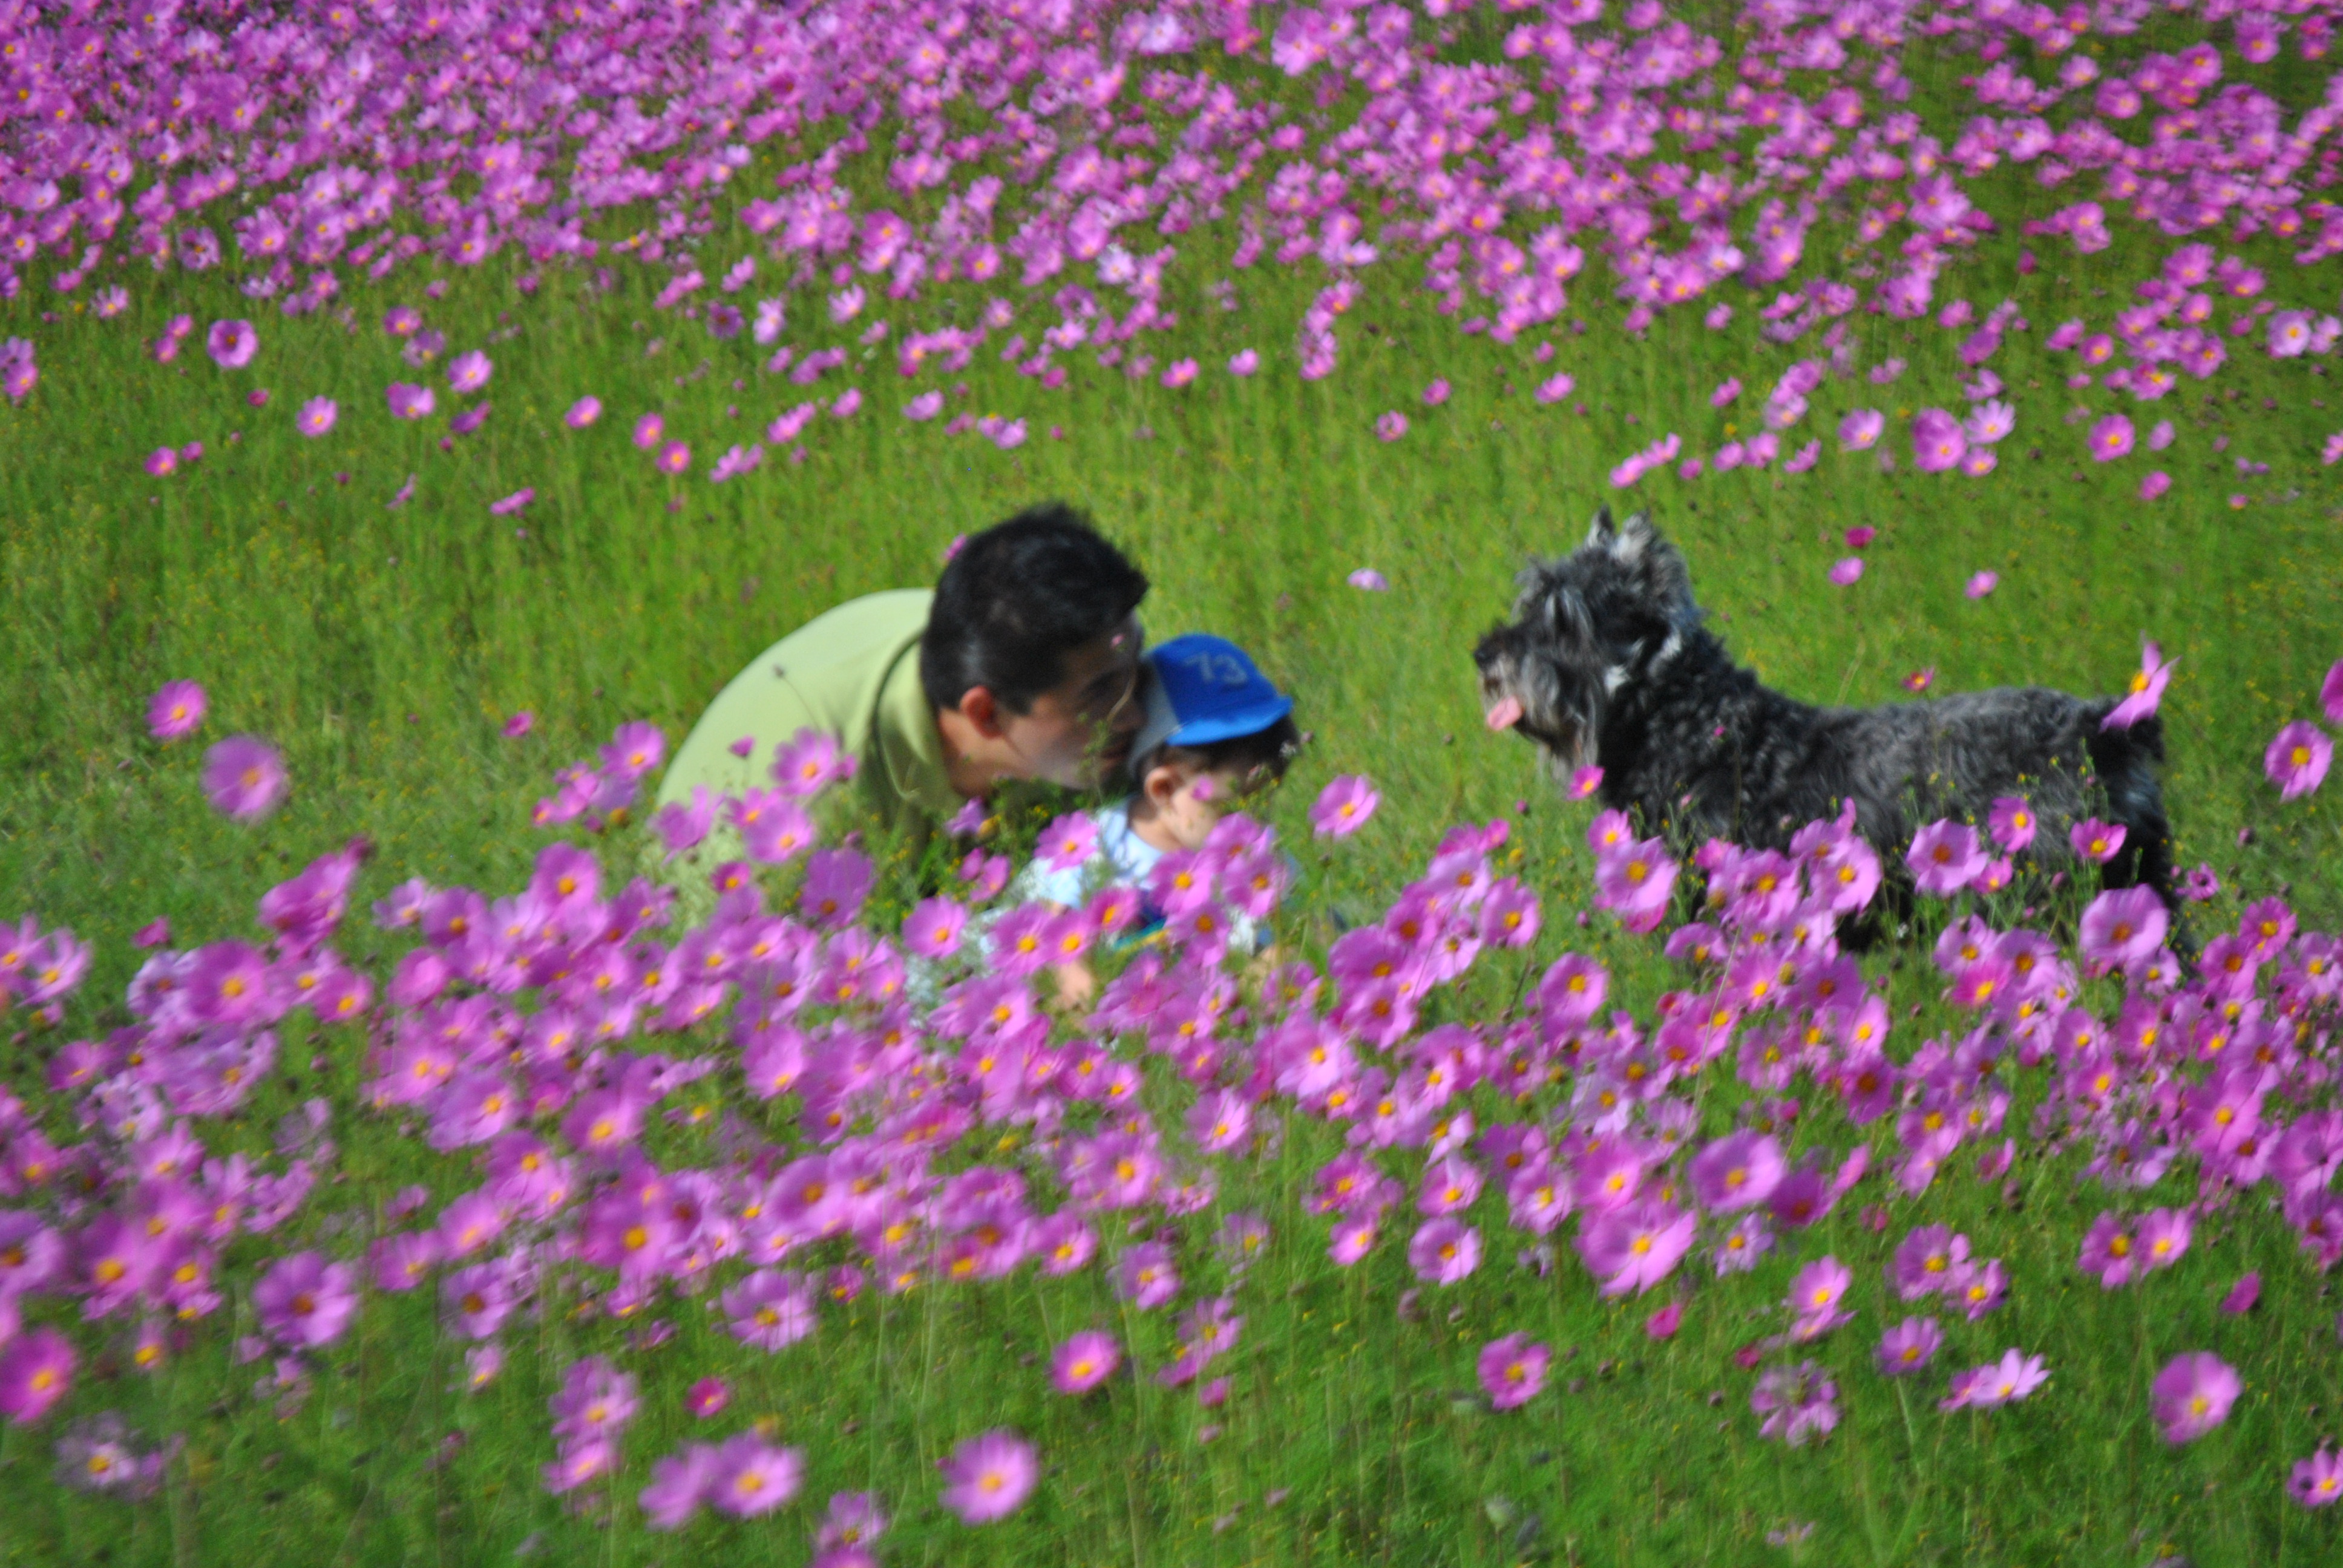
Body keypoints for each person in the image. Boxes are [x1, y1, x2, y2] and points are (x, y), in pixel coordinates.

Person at [654, 502, 1151, 848]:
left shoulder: (1022, 651)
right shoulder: (814, 805)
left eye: (1133, 669)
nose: (1136, 715)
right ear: (986, 714)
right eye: (1101, 693)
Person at [1011, 632, 1302, 999]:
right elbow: (1060, 951)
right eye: (1234, 808)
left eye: (1266, 801)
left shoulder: (1256, 859)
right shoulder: (1095, 848)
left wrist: (1276, 960)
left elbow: (1299, 926)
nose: (1255, 826)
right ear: (1164, 790)